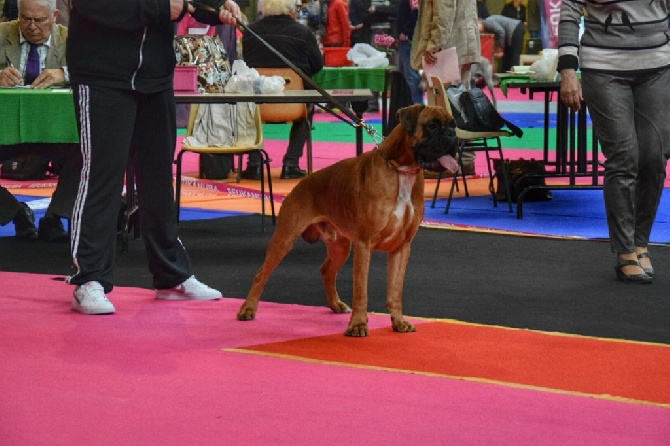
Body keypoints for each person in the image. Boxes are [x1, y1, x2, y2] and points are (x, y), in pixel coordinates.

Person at [64, 0, 241, 315]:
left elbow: (186, 3)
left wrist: (216, 7)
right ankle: (89, 278)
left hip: (155, 77)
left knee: (158, 179)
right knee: (101, 175)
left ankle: (171, 276)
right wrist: (159, 8)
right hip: (101, 75)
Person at [557, 2, 670, 284]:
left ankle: (641, 241)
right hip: (603, 67)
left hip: (658, 65)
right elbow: (570, 10)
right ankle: (624, 251)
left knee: (655, 156)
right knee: (624, 156)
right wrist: (568, 70)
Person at [0, 0, 81, 242]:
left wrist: (64, 74)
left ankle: (55, 216)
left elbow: (97, 72)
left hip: (59, 132)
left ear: (55, 15)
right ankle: (14, 211)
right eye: (25, 19)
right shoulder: (2, 33)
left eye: (40, 20)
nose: (32, 26)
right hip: (5, 131)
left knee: (88, 152)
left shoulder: (72, 39)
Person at [241, 0, 324, 180]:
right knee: (306, 111)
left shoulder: (249, 31)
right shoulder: (303, 33)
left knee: (248, 107)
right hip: (294, 104)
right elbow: (317, 65)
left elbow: (245, 68)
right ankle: (291, 163)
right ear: (290, 9)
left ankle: (254, 164)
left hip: (258, 104)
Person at [412, 0, 480, 176]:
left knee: (444, 109)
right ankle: (465, 161)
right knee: (462, 106)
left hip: (448, 48)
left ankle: (447, 164)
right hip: (462, 42)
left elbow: (445, 12)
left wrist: (434, 45)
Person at [477, 2, 524, 73]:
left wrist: (500, 48)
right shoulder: (487, 25)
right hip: (514, 30)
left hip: (515, 29)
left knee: (514, 57)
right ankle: (506, 75)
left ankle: (515, 80)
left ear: (479, 23)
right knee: (507, 57)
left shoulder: (487, 22)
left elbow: (501, 32)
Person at [395, 0, 423, 104]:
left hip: (408, 38)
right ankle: (410, 102)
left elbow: (416, 13)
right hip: (405, 38)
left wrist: (406, 31)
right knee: (405, 73)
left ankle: (418, 103)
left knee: (411, 74)